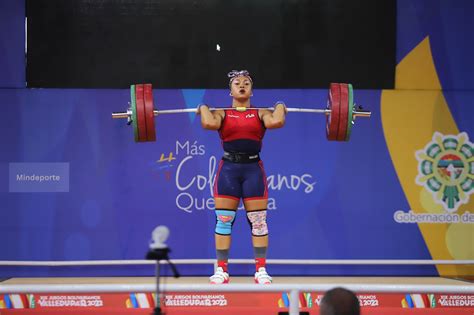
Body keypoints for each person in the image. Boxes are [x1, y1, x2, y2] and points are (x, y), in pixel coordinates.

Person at [197, 70, 287, 284]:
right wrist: (203, 108)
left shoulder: (261, 112)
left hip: (253, 169)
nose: (242, 85)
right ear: (230, 91)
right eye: (237, 83)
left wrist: (281, 105)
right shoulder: (221, 113)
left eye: (246, 83)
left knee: (259, 222)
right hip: (229, 169)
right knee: (224, 221)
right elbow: (208, 123)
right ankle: (221, 270)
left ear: (251, 90)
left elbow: (276, 122)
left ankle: (261, 270)